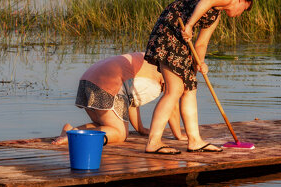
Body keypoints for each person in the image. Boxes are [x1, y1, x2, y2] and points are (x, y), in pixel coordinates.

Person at [142, 0, 253, 155]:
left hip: (182, 37)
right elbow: (206, 0)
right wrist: (190, 25)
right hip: (171, 31)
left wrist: (200, 63)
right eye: (243, 9)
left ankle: (194, 141)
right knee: (174, 90)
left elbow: (201, 44)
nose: (240, 14)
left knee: (190, 88)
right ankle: (153, 142)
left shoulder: (216, 16)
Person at [53, 52, 184, 146]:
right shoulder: (170, 68)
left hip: (88, 80)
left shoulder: (152, 57)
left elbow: (131, 101)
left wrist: (141, 129)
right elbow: (171, 102)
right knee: (120, 134)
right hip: (106, 84)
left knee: (105, 126)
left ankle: (71, 131)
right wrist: (178, 135)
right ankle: (74, 138)